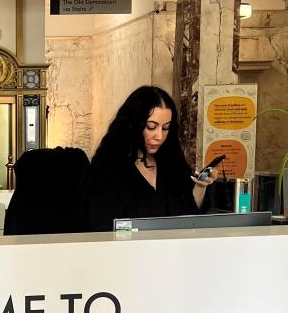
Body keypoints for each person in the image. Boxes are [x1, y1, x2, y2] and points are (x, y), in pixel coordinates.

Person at [82, 86, 215, 231]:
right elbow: (103, 229)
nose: (159, 136)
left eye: (165, 128)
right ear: (133, 125)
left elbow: (189, 216)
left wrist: (201, 186)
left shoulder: (170, 163)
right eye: (151, 126)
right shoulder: (108, 171)